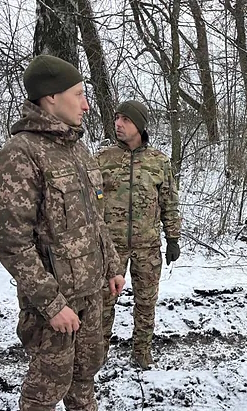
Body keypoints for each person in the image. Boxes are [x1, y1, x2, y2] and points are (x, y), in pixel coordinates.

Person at [0, 54, 129, 411]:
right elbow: (11, 242)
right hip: (55, 299)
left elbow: (95, 217)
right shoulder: (21, 154)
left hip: (91, 288)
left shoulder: (77, 147)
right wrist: (50, 304)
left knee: (86, 366)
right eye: (78, 94)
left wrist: (111, 266)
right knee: (46, 384)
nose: (86, 104)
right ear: (50, 98)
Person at [96, 100, 181, 369]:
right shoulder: (103, 160)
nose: (119, 124)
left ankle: (142, 352)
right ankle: (99, 354)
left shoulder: (158, 162)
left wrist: (173, 238)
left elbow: (169, 201)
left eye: (126, 120)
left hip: (147, 247)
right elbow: (91, 204)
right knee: (104, 304)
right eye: (117, 118)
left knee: (146, 303)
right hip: (112, 249)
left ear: (140, 126)